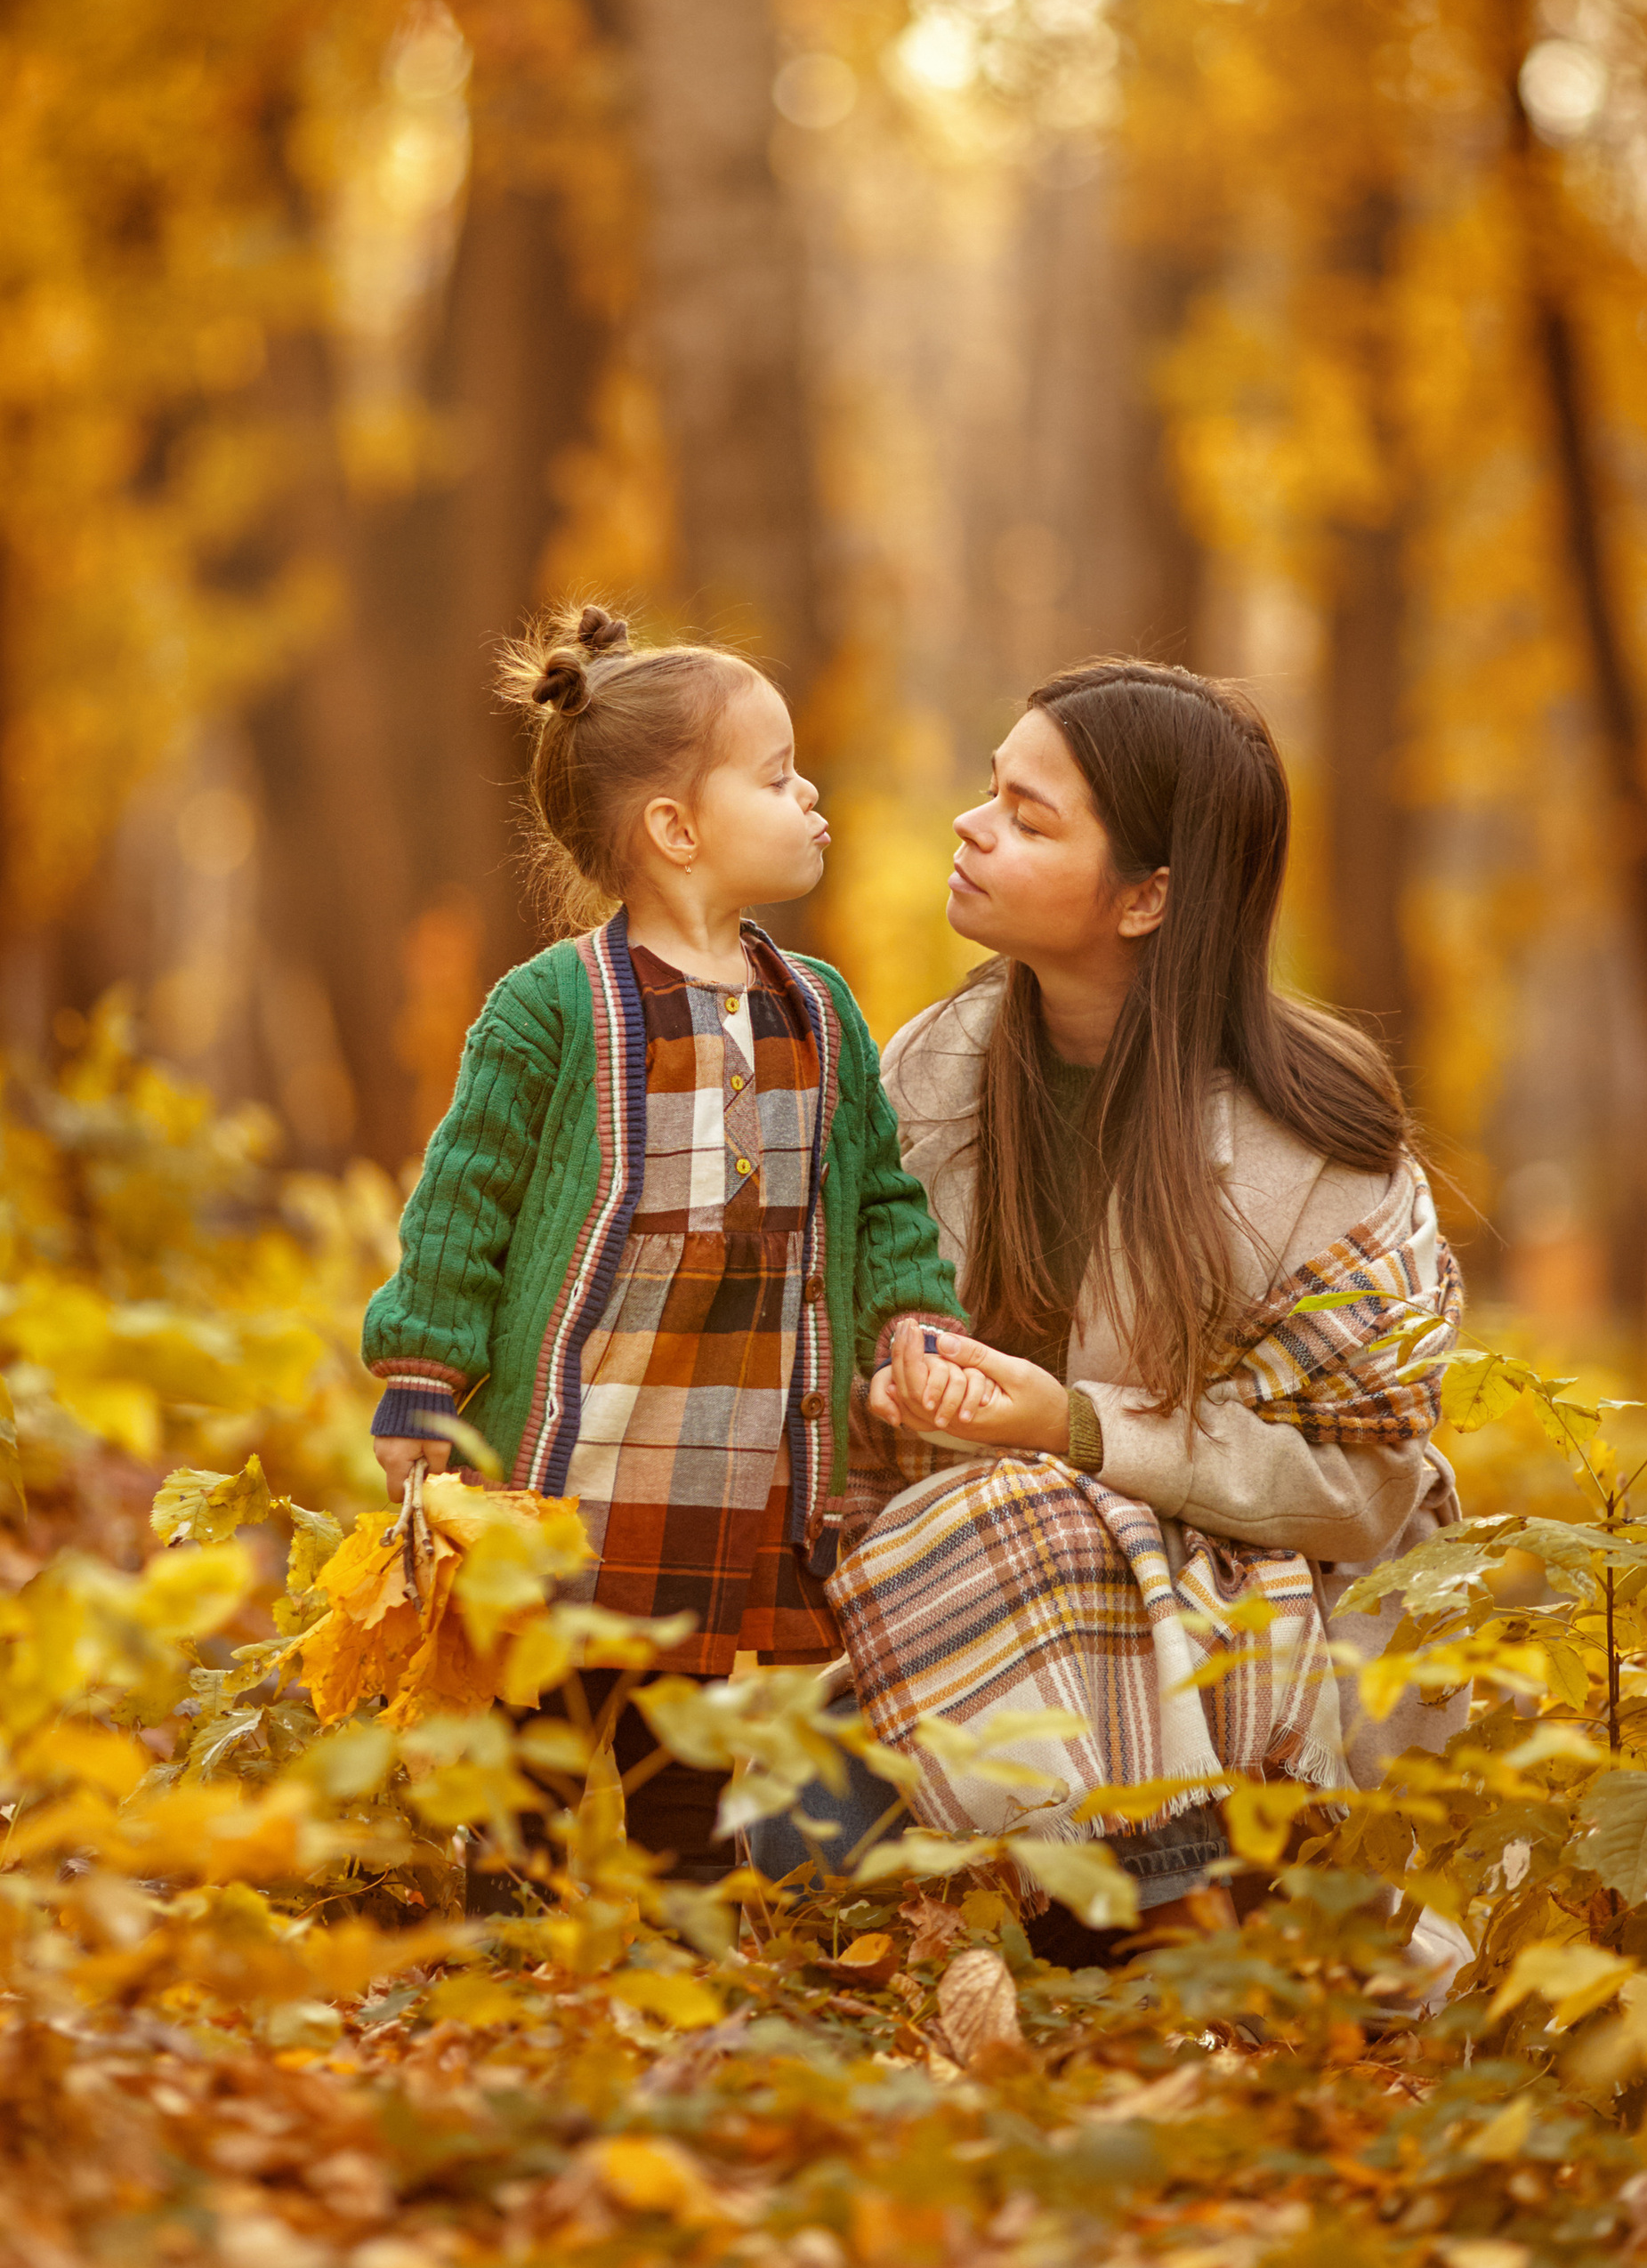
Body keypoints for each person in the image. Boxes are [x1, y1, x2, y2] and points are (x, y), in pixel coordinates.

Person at [827, 658, 1465, 1948]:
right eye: (989, 791)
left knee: (1035, 1522)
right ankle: (933, 1913)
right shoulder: (934, 1069)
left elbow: (1369, 1492)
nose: (973, 824)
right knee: (973, 1535)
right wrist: (893, 1385)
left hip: (1253, 1645)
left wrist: (1078, 1431)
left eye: (1029, 815)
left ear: (1148, 898)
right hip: (973, 1600)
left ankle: (1177, 1927)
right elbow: (859, 1338)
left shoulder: (1317, 1146)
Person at [360, 603, 979, 1882]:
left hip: (732, 1454)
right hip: (577, 1453)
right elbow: (462, 1201)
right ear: (676, 829)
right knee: (543, 1713)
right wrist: (423, 1383)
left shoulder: (820, 1011)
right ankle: (509, 1922)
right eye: (778, 774)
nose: (813, 797)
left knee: (685, 1726)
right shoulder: (553, 1008)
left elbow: (878, 1197)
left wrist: (913, 1318)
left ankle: (680, 1926)